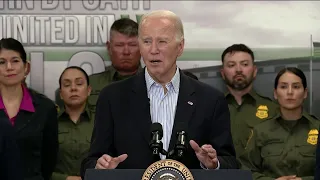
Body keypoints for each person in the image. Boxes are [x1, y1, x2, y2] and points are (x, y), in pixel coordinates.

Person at [80, 10, 237, 178]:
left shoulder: (211, 100)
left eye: (162, 41)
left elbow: (231, 164)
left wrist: (213, 165)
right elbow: (91, 163)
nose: (153, 50)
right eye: (147, 41)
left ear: (180, 47)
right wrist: (101, 166)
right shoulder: (112, 97)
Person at [240, 67, 320, 180]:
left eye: (296, 87)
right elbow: (245, 170)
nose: (290, 92)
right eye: (283, 87)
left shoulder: (317, 127)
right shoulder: (261, 131)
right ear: (275, 93)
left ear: (305, 93)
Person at [0, 38, 58, 180]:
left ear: (27, 67)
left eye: (15, 61)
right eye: (1, 62)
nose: (9, 67)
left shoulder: (46, 108)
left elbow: (49, 160)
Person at [55, 18, 142, 110]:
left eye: (132, 45)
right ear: (109, 48)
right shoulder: (90, 84)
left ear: (142, 47)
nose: (126, 52)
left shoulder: (155, 83)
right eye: (119, 45)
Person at [220, 44, 278, 158]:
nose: (238, 70)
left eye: (245, 64)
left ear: (255, 71)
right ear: (222, 73)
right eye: (231, 65)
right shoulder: (211, 108)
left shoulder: (273, 110)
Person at [52, 66, 93, 180]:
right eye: (67, 85)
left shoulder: (102, 120)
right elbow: (39, 165)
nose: (73, 88)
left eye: (79, 84)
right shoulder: (50, 122)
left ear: (89, 90)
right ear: (60, 93)